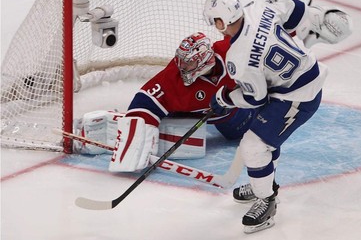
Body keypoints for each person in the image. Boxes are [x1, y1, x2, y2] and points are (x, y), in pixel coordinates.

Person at [203, 0, 352, 233]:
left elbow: (255, 98)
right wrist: (313, 25)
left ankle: (267, 201)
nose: (215, 27)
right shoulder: (258, 7)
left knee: (254, 145)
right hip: (302, 77)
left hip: (299, 97)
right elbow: (296, 10)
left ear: (221, 21)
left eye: (214, 21)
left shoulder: (237, 58)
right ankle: (265, 183)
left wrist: (225, 98)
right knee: (263, 139)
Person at [74, 32, 256, 173]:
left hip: (233, 114)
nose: (182, 67)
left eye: (189, 64)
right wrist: (137, 129)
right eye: (182, 61)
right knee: (164, 118)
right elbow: (146, 99)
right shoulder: (174, 77)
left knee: (240, 130)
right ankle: (127, 127)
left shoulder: (231, 51)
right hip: (189, 113)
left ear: (204, 62)